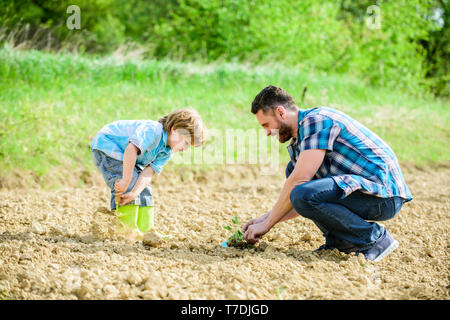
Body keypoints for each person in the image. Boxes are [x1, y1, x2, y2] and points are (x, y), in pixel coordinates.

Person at [242, 85, 412, 262]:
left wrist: (267, 225)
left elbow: (300, 185)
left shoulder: (316, 121)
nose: (268, 132)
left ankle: (375, 239)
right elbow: (297, 202)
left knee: (300, 188)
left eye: (266, 125)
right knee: (295, 177)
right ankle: (343, 242)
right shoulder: (301, 141)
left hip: (384, 196)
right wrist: (264, 219)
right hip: (364, 194)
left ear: (281, 112)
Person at [91, 108, 206, 235]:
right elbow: (131, 150)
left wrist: (135, 192)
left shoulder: (167, 151)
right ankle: (125, 231)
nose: (185, 149)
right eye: (185, 142)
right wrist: (125, 180)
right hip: (107, 146)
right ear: (175, 129)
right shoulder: (153, 131)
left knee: (143, 189)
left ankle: (146, 231)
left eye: (188, 146)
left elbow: (148, 172)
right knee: (128, 182)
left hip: (125, 155)